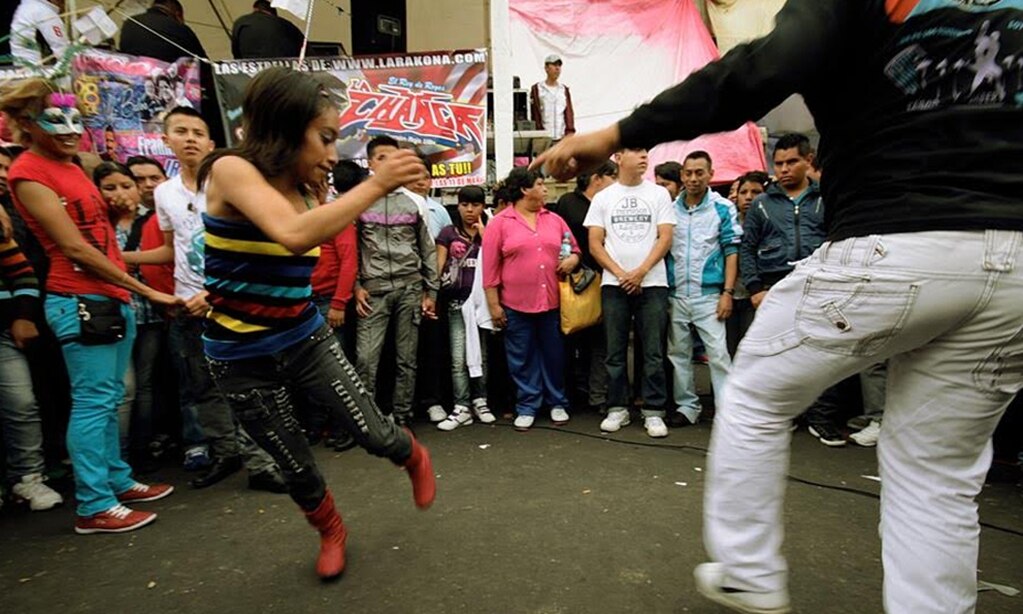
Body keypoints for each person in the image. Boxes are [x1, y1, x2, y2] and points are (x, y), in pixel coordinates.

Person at [535, 2, 1023, 612]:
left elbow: (761, 67)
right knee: (938, 476)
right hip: (1015, 270)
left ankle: (747, 568)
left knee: (757, 390)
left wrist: (619, 133)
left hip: (897, 234)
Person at [194, 66, 435, 580]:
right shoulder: (232, 170)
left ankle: (410, 453)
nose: (332, 155)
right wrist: (378, 182)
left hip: (304, 338)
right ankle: (330, 530)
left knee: (373, 433)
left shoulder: (310, 186)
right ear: (283, 127)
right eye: (325, 138)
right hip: (238, 356)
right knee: (295, 463)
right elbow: (293, 236)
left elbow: (309, 238)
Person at [1, 79, 177, 534]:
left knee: (111, 396)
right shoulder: (28, 173)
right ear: (25, 123)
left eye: (74, 117)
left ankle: (116, 480)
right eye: (53, 118)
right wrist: (145, 291)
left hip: (109, 297)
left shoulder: (74, 165)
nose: (68, 127)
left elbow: (99, 233)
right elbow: (74, 248)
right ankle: (94, 505)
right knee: (94, 402)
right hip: (79, 299)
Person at [123, 106, 284, 492]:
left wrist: (213, 294)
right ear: (167, 141)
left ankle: (261, 464)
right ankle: (224, 453)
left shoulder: (231, 185)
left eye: (198, 131)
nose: (190, 138)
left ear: (212, 143)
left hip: (231, 302)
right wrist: (118, 259)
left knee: (248, 386)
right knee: (202, 388)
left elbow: (255, 250)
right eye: (181, 131)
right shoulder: (163, 193)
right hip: (185, 306)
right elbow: (170, 250)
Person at [741, 133, 848, 448]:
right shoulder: (762, 204)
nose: (785, 169)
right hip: (774, 286)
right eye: (779, 163)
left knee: (822, 353)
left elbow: (837, 240)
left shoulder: (824, 198)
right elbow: (748, 248)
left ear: (808, 161)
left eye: (792, 162)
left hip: (819, 283)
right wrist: (755, 289)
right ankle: (782, 416)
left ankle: (821, 419)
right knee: (777, 355)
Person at [584, 148, 674, 438]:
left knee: (653, 351)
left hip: (653, 283)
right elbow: (595, 243)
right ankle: (617, 408)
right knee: (614, 350)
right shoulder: (603, 198)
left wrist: (641, 271)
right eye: (636, 151)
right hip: (614, 284)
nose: (643, 156)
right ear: (619, 157)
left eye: (646, 151)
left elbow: (665, 237)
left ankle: (653, 411)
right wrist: (622, 274)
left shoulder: (659, 194)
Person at [483, 167, 580, 431]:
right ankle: (527, 405)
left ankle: (556, 402)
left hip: (552, 301)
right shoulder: (500, 223)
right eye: (540, 184)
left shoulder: (555, 219)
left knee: (554, 354)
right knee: (521, 357)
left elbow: (574, 249)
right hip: (514, 303)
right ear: (525, 190)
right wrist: (494, 305)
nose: (546, 188)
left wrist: (572, 259)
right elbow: (490, 269)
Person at [353, 136, 439, 427]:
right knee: (366, 360)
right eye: (381, 158)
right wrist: (355, 286)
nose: (389, 163)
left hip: (410, 289)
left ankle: (402, 416)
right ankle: (367, 421)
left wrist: (431, 293)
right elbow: (350, 248)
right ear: (370, 163)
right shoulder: (358, 200)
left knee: (407, 360)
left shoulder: (414, 203)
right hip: (373, 291)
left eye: (394, 157)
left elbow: (427, 249)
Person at [665, 151, 742, 428]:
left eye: (699, 172)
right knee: (678, 355)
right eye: (688, 173)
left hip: (709, 295)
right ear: (682, 175)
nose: (693, 178)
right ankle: (687, 407)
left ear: (710, 174)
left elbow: (731, 250)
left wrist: (727, 292)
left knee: (718, 355)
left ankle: (726, 411)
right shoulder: (670, 210)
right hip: (676, 294)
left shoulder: (722, 208)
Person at [0, 232, 64, 511]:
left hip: (3, 328)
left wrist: (23, 316)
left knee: (21, 402)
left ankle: (27, 477)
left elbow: (24, 273)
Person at [548, 160, 617, 413]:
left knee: (601, 341)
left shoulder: (611, 203)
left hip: (606, 279)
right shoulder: (568, 202)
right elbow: (560, 239)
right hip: (573, 282)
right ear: (597, 177)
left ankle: (597, 396)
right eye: (612, 177)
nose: (615, 183)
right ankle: (571, 394)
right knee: (570, 338)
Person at [434, 185, 495, 431]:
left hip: (483, 303)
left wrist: (486, 234)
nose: (470, 210)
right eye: (465, 205)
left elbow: (496, 263)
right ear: (457, 206)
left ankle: (481, 402)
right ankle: (461, 407)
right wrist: (430, 295)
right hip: (457, 303)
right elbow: (438, 266)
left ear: (483, 206)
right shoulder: (448, 233)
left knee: (482, 355)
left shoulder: (490, 231)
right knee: (458, 357)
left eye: (476, 205)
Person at [405, 163, 453, 423]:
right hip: (405, 285)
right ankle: (406, 402)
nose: (422, 182)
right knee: (405, 350)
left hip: (433, 288)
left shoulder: (439, 211)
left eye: (426, 177)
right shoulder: (398, 208)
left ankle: (433, 400)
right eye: (416, 177)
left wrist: (431, 290)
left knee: (432, 346)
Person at [725, 171, 768, 356]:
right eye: (743, 192)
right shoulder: (727, 221)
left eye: (755, 192)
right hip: (729, 296)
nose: (749, 197)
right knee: (726, 350)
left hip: (756, 295)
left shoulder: (770, 221)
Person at [119, 1, 207, 65]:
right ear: (178, 14)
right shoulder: (180, 28)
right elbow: (203, 64)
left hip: (134, 79)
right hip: (167, 83)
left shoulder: (130, 23)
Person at [231, 1, 305, 60]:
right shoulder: (284, 24)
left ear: (255, 9)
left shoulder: (241, 22)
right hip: (279, 70)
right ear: (273, 14)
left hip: (251, 71)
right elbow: (305, 49)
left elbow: (236, 53)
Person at [9, 0, 69, 69]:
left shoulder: (26, 6)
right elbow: (63, 50)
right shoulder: (44, 12)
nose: (64, 3)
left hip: (21, 67)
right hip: (37, 71)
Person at [529, 54, 576, 141]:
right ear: (546, 68)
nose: (557, 68)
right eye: (554, 65)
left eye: (559, 65)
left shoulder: (563, 90)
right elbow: (533, 113)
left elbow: (569, 114)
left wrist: (569, 134)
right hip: (544, 138)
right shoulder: (537, 89)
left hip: (561, 139)